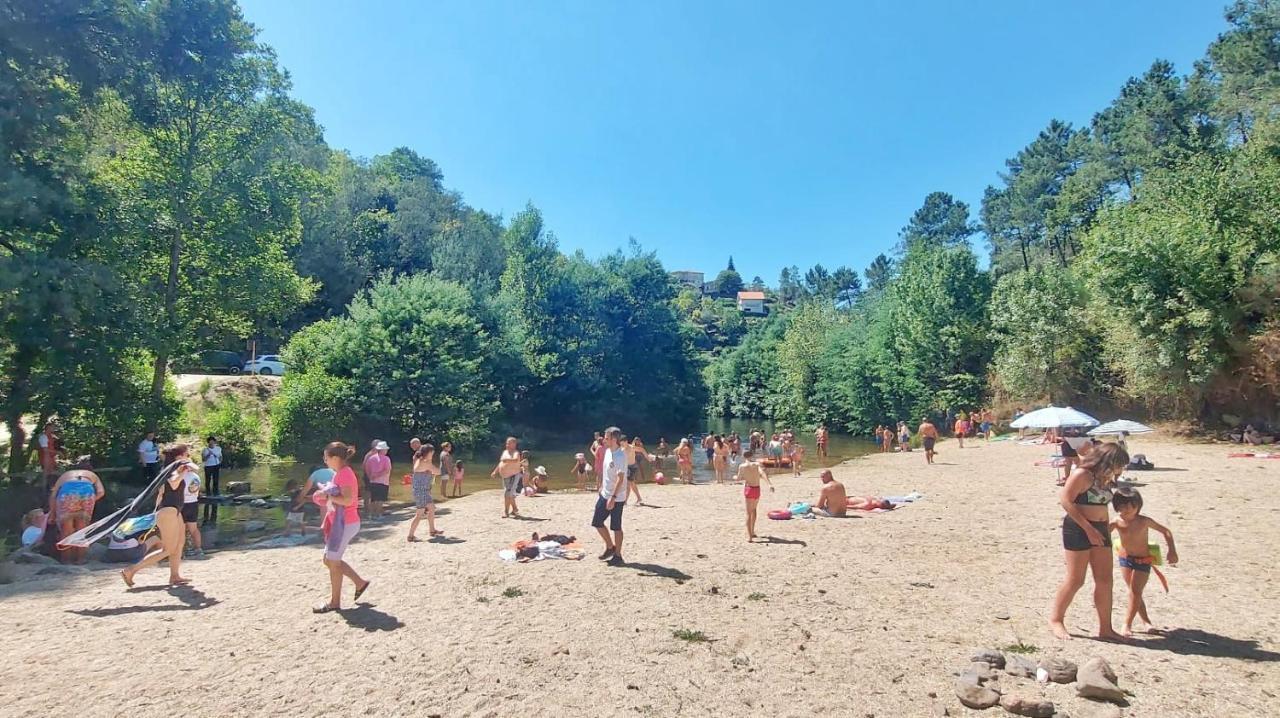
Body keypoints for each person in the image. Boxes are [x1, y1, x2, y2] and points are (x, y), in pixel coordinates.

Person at [1049, 442, 1130, 641]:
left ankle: (1106, 628)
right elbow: (1066, 501)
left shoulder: (1105, 478)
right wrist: (1088, 528)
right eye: (1118, 465)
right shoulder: (1082, 474)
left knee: (1105, 580)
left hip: (1101, 529)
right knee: (1076, 579)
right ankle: (1056, 620)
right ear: (1108, 460)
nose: (1119, 470)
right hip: (1078, 528)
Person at [313, 441, 371, 613]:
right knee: (329, 560)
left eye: (326, 457)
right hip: (343, 523)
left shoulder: (344, 474)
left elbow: (348, 500)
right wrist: (324, 495)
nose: (325, 461)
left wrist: (326, 497)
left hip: (346, 523)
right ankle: (360, 583)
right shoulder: (340, 473)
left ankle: (335, 602)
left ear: (336, 458)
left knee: (332, 561)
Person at [1111, 489, 1178, 636]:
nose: (1127, 509)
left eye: (1131, 506)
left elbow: (1166, 531)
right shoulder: (1116, 522)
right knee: (1134, 592)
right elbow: (1102, 536)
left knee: (1135, 592)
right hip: (1125, 560)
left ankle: (1126, 624)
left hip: (1143, 560)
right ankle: (1146, 621)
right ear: (1116, 506)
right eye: (1123, 506)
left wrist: (1172, 550)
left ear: (1138, 506)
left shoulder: (1143, 521)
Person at [47, 458, 104, 564]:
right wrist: (91, 501)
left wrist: (52, 513)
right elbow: (101, 492)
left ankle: (66, 560)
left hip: (68, 494)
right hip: (87, 493)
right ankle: (80, 559)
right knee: (81, 531)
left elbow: (54, 495)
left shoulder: (65, 475)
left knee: (66, 531)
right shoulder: (92, 475)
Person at [120, 505, 187, 588]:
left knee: (179, 544)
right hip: (169, 511)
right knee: (168, 550)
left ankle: (175, 576)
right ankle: (130, 570)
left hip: (176, 510)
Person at [592, 427, 628, 566]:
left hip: (617, 497)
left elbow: (620, 478)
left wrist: (613, 497)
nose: (603, 439)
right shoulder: (607, 451)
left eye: (606, 438)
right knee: (597, 522)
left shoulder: (620, 456)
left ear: (614, 439)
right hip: (605, 493)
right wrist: (601, 486)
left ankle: (618, 555)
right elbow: (606, 472)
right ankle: (610, 547)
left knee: (616, 526)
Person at [735, 450, 774, 542]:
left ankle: (750, 537)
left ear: (743, 457)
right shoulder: (757, 464)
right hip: (757, 489)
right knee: (754, 510)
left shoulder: (742, 466)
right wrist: (769, 484)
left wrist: (734, 477)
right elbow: (762, 474)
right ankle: (752, 531)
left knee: (748, 513)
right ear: (751, 455)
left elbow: (738, 478)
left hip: (749, 489)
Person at [407, 442, 442, 541]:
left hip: (423, 490)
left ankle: (432, 530)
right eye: (432, 452)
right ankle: (410, 535)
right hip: (421, 491)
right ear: (428, 453)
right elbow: (438, 472)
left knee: (431, 508)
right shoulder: (425, 462)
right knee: (419, 514)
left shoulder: (421, 459)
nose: (433, 454)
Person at [176, 445, 206, 560]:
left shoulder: (181, 477)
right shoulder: (196, 477)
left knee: (182, 530)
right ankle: (198, 549)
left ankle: (182, 551)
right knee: (194, 528)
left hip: (183, 504)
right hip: (193, 503)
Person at [492, 437, 523, 518]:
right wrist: (495, 471)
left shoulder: (516, 452)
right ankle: (515, 509)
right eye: (506, 443)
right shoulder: (505, 452)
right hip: (505, 476)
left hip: (513, 475)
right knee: (510, 494)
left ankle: (506, 512)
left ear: (514, 444)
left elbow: (516, 460)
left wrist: (507, 460)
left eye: (509, 443)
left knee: (507, 493)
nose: (507, 445)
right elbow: (501, 463)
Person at [362, 440, 391, 520]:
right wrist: (378, 475)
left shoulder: (371, 458)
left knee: (373, 498)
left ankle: (371, 514)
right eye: (385, 449)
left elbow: (366, 468)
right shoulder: (386, 459)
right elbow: (387, 470)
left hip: (373, 481)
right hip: (383, 481)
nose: (386, 451)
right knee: (380, 499)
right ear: (382, 450)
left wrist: (371, 477)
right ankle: (378, 514)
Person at [201, 436, 223, 525]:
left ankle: (215, 492)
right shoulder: (205, 450)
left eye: (213, 442)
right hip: (208, 466)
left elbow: (221, 456)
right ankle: (208, 492)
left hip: (216, 465)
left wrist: (220, 462)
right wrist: (208, 455)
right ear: (208, 443)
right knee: (207, 480)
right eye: (210, 442)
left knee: (216, 479)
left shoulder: (218, 448)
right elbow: (203, 459)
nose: (211, 443)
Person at [623, 437, 644, 504]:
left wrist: (647, 457)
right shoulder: (627, 447)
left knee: (629, 484)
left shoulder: (634, 446)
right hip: (629, 466)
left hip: (632, 466)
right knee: (632, 484)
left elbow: (641, 450)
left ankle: (625, 501)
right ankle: (639, 498)